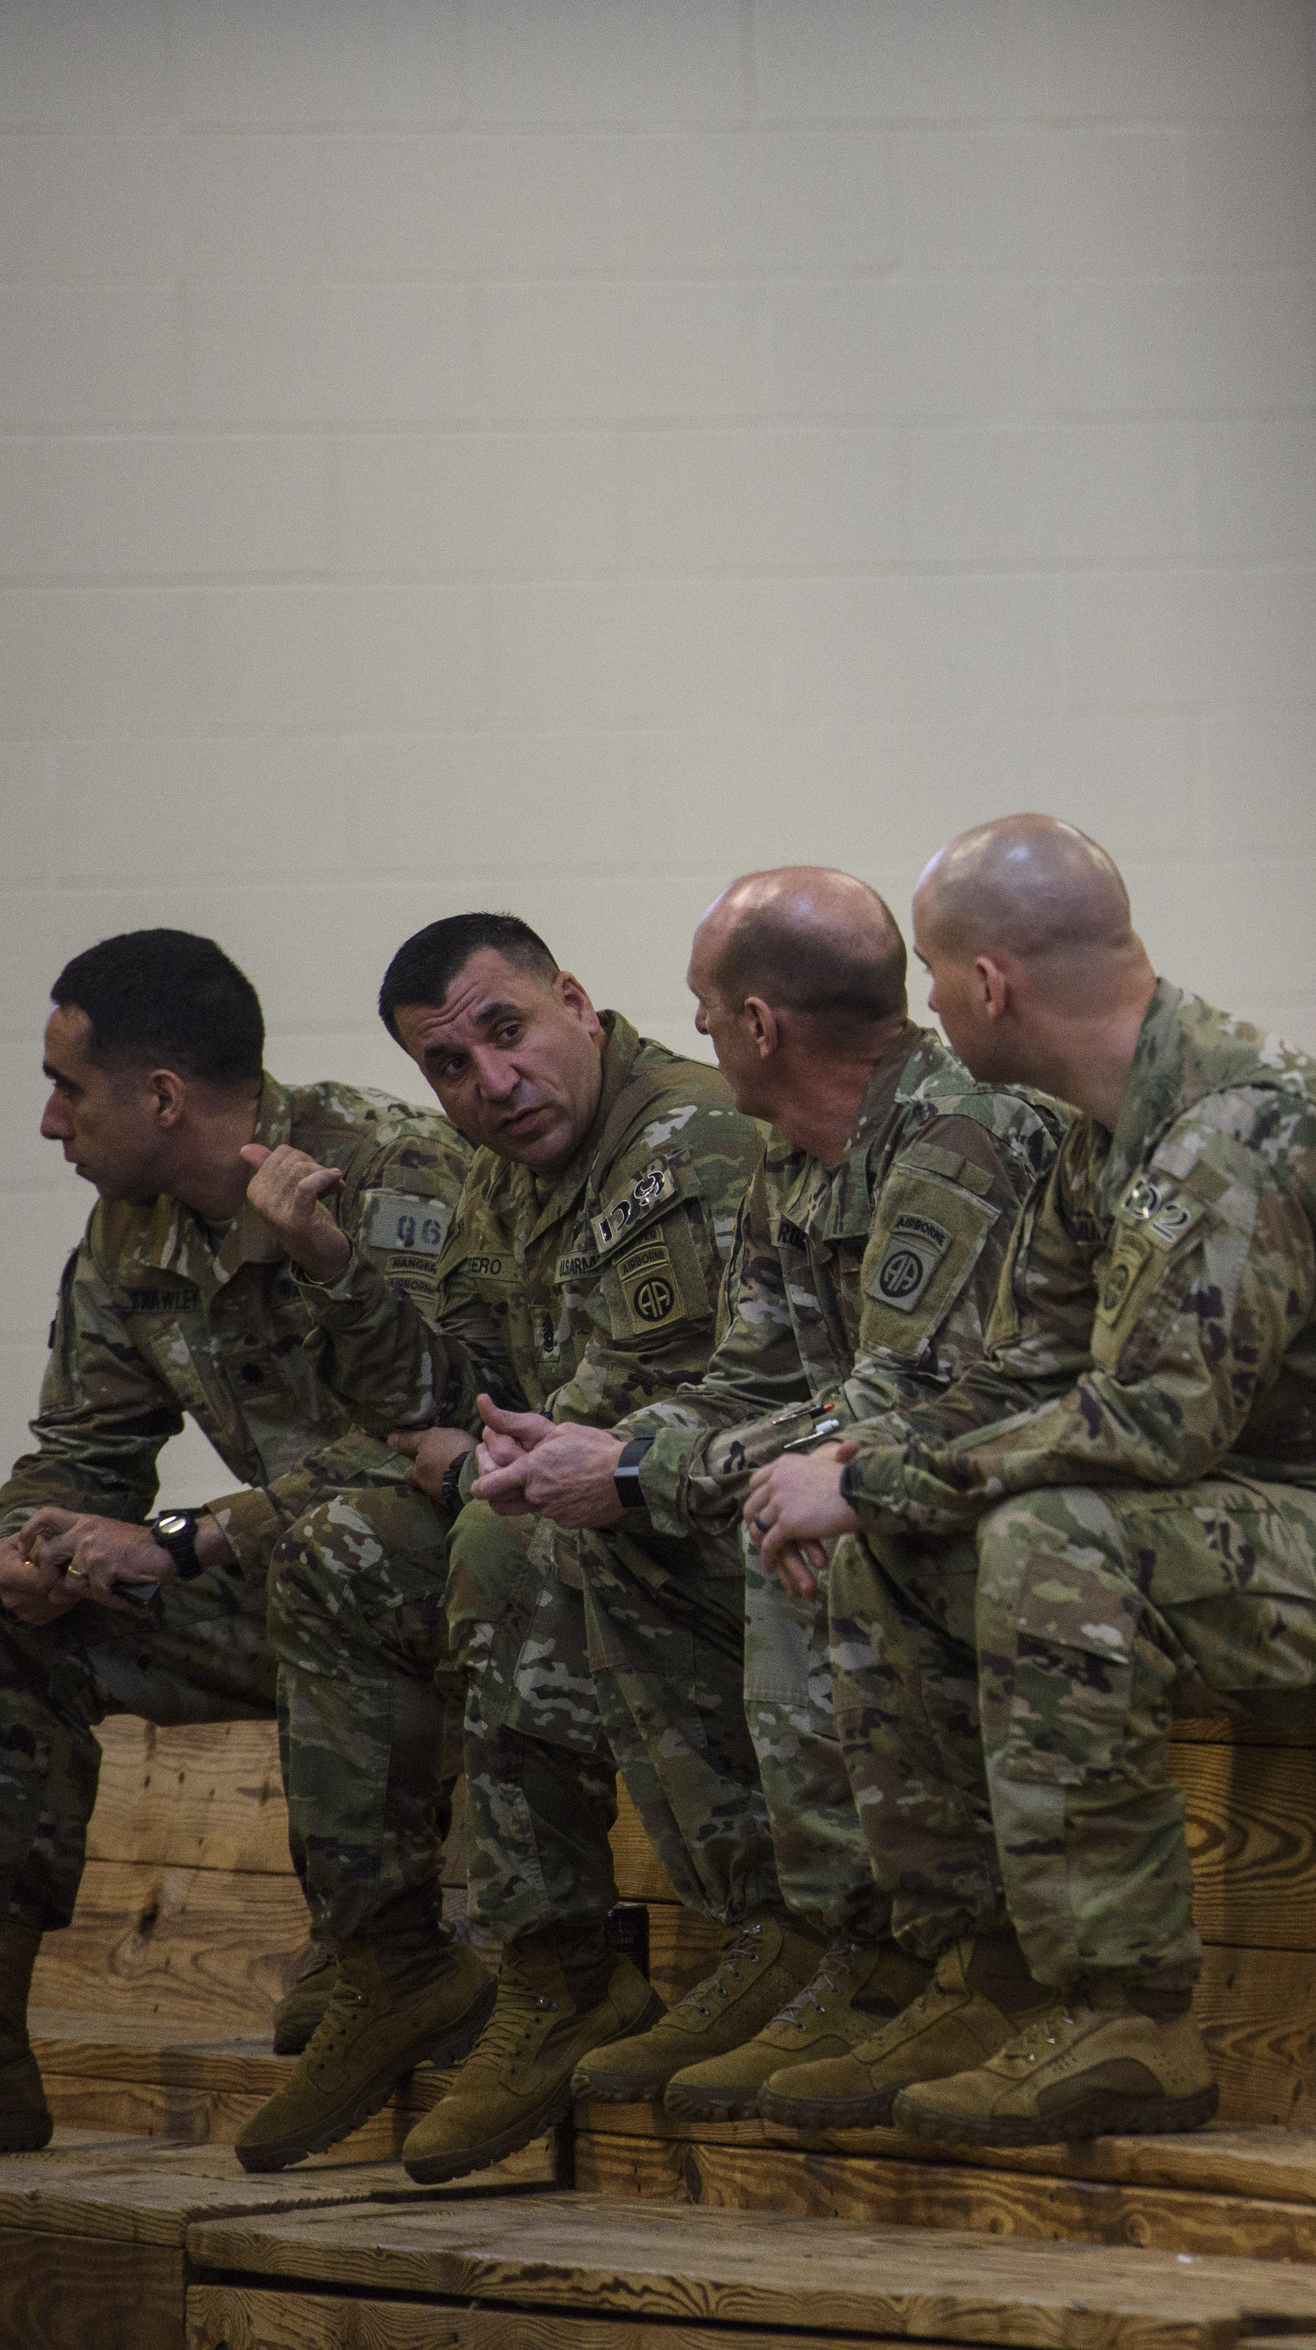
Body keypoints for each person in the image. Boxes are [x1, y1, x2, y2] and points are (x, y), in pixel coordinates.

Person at [745, 814, 1316, 2144]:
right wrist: (854, 1467)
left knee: (1054, 1542)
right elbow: (1029, 1369)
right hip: (1290, 1527)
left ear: (988, 986)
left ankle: (1125, 2013)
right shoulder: (1101, 1128)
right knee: (893, 1542)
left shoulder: (1233, 1134)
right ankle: (988, 1972)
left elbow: (1151, 1426)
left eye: (933, 973)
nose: (927, 1003)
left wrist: (892, 1475)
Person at [0, 932, 474, 2167]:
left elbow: (434, 1443)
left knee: (341, 1549)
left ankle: (385, 1954)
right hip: (295, 1603)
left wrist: (181, 1538)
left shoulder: (394, 1175)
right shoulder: (133, 1235)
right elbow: (80, 1445)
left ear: (163, 1097)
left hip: (458, 1600)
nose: (46, 1120)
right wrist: (33, 1539)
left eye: (67, 1085)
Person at [481, 866, 1074, 2125]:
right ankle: (789, 1935)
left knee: (808, 1529)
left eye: (704, 1010)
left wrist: (646, 1468)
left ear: (762, 1025)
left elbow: (899, 1407)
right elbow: (746, 1381)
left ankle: (912, 1953)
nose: (693, 1034)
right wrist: (600, 1449)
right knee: (603, 1539)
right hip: (899, 1474)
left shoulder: (959, 1134)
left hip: (1009, 1498)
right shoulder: (790, 1159)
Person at [254, 914, 767, 2182]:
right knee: (338, 1547)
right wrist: (333, 1269)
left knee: (507, 1535)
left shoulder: (680, 1146)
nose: (489, 1083)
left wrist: (489, 1461)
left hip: (748, 1512)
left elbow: (653, 1419)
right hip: (605, 1505)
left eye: (506, 1030)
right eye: (447, 1065)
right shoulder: (504, 1175)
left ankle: (576, 1967)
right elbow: (457, 1384)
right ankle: (390, 1963)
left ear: (576, 1005)